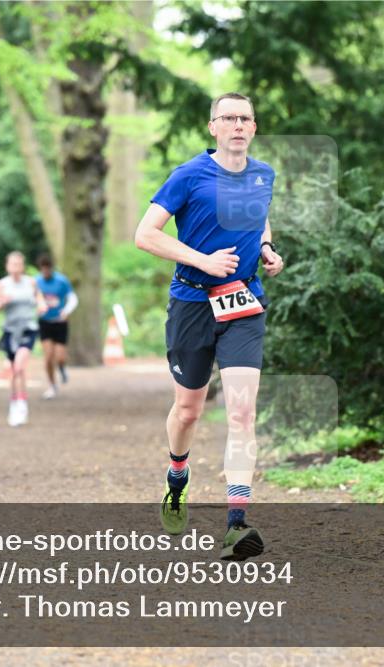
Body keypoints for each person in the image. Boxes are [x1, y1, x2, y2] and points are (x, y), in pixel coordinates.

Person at [134, 92, 284, 561]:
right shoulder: (188, 175)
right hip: (192, 302)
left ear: (253, 127)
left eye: (245, 118)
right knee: (188, 411)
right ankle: (176, 477)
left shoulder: (263, 175)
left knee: (241, 412)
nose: (238, 125)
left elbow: (260, 220)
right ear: (213, 127)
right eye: (229, 118)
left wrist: (266, 249)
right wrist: (203, 260)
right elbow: (145, 235)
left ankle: (237, 524)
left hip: (243, 302)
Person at [0, 251, 46, 427]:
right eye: (12, 264)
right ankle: (15, 402)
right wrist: (2, 302)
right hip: (10, 331)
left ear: (23, 266)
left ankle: (21, 405)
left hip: (28, 329)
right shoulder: (2, 285)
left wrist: (42, 306)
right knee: (15, 370)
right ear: (7, 266)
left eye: (18, 264)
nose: (15, 267)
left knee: (20, 365)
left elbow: (40, 299)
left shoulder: (31, 282)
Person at [35, 254, 78, 399]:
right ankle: (52, 386)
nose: (45, 272)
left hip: (60, 322)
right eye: (43, 269)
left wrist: (66, 311)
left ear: (51, 268)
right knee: (48, 357)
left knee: (60, 357)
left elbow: (73, 298)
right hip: (45, 322)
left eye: (48, 269)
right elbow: (32, 298)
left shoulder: (61, 281)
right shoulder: (36, 282)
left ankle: (62, 367)